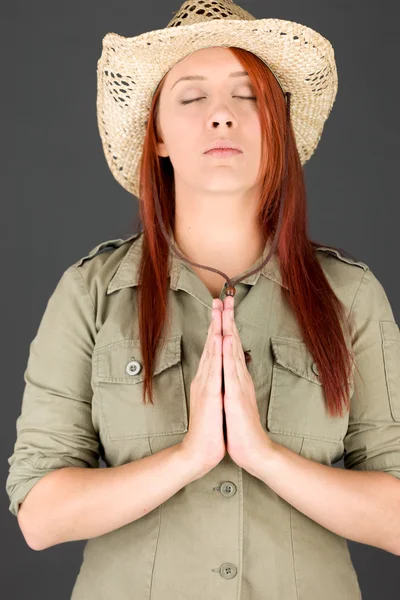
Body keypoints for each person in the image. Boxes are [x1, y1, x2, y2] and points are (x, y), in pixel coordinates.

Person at [6, 1, 400, 599]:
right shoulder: (90, 294)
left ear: (278, 127)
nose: (221, 116)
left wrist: (263, 456)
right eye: (191, 98)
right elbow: (39, 514)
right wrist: (189, 456)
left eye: (247, 98)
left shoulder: (350, 296)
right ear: (157, 135)